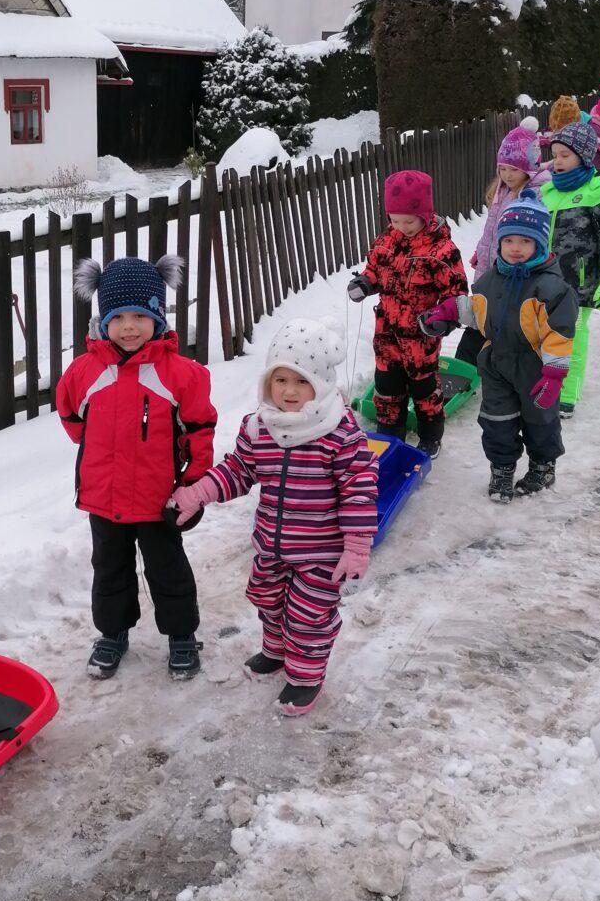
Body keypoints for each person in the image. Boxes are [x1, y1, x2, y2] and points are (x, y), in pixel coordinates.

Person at [169, 320, 377, 716]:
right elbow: (239, 470)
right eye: (280, 380)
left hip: (321, 553)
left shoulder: (338, 434)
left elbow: (359, 491)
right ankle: (277, 651)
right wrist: (198, 493)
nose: (289, 391)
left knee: (307, 615)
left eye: (301, 382)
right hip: (272, 544)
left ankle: (305, 676)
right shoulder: (260, 427)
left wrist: (357, 545)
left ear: (320, 384)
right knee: (268, 599)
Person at [57, 255, 216, 681]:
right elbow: (71, 416)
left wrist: (193, 483)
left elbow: (199, 430)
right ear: (103, 320)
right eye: (119, 317)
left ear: (158, 317)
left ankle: (182, 635)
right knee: (109, 569)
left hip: (158, 498)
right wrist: (96, 450)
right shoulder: (84, 372)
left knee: (167, 569)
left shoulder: (181, 375)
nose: (129, 327)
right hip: (102, 497)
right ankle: (112, 633)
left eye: (140, 316)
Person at [419, 194, 578, 502]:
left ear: (540, 245)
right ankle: (501, 469)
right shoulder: (493, 280)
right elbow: (476, 310)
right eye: (509, 241)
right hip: (496, 364)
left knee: (540, 421)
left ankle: (543, 466)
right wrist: (449, 311)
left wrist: (554, 375)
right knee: (496, 421)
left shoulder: (553, 290)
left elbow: (559, 335)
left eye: (524, 241)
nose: (515, 248)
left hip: (535, 368)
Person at [346, 169, 467, 458]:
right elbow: (376, 270)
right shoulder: (386, 241)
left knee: (424, 391)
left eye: (409, 221)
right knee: (387, 389)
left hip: (420, 337)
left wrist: (443, 317)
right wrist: (365, 282)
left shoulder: (441, 250)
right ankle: (390, 435)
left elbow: (456, 293)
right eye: (394, 220)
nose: (401, 227)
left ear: (425, 214)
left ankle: (430, 436)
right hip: (386, 334)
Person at [537, 121, 600, 416]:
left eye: (565, 155)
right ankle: (544, 382)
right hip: (544, 280)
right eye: (555, 154)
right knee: (541, 334)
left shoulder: (599, 191)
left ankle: (566, 393)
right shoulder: (546, 193)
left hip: (579, 283)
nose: (557, 161)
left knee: (571, 336)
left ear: (584, 157)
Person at [457, 120, 547, 367]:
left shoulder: (535, 196)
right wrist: (481, 252)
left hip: (513, 273)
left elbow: (537, 238)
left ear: (528, 170)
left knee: (498, 321)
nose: (507, 175)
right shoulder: (501, 191)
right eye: (503, 168)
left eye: (514, 170)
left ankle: (494, 365)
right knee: (481, 316)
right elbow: (491, 230)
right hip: (490, 270)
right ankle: (466, 368)